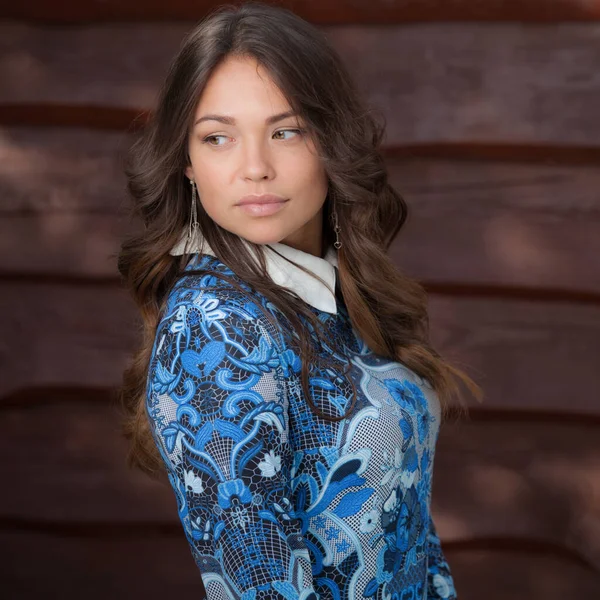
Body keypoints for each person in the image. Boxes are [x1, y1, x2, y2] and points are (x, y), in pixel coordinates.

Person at [117, 2, 482, 598]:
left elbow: (404, 524)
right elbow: (260, 584)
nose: (255, 168)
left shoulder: (329, 292)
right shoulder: (211, 328)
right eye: (218, 138)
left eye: (286, 131)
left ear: (330, 141)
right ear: (186, 161)